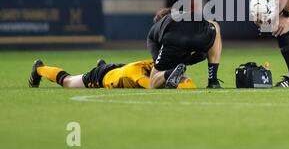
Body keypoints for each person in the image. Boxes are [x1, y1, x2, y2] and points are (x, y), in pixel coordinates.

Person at [147, 8, 222, 89]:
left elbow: (157, 61)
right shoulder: (183, 14)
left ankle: (170, 73)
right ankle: (213, 81)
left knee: (152, 83)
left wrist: (173, 69)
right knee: (215, 26)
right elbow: (202, 55)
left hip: (174, 37)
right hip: (200, 30)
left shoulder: (155, 30)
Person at [28, 58, 196, 89]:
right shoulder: (137, 74)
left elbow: (190, 85)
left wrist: (183, 81)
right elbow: (151, 85)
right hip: (102, 77)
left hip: (119, 69)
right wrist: (170, 79)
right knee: (68, 82)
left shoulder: (155, 64)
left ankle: (103, 64)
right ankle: (39, 68)